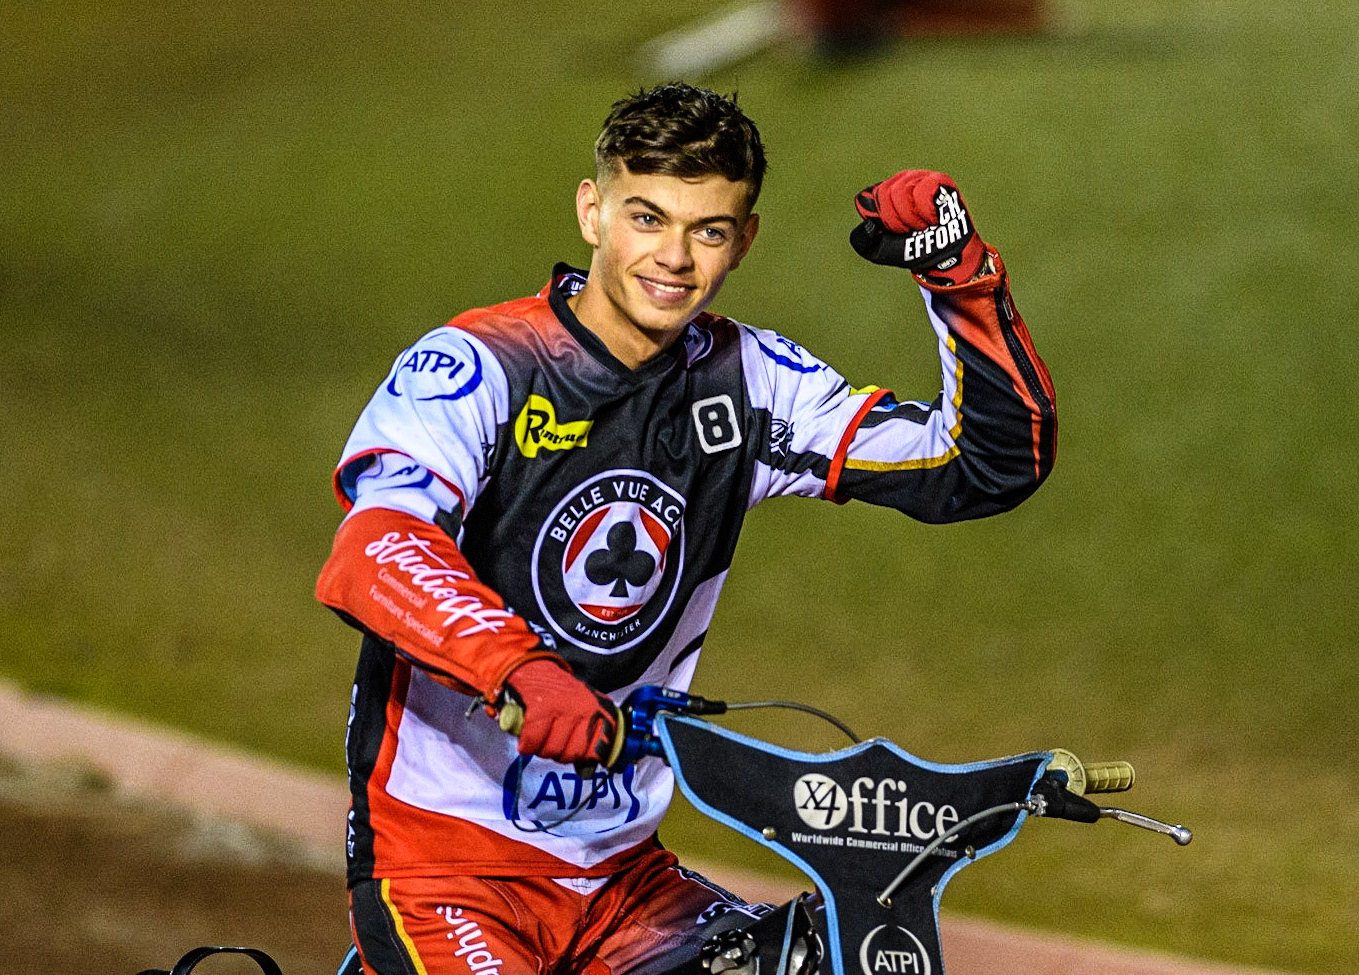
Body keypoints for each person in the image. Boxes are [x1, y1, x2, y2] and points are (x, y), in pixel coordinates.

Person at [315, 82, 1056, 975]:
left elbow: (981, 466)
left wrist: (960, 280)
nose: (673, 258)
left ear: (743, 240)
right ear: (592, 212)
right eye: (646, 217)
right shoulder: (476, 367)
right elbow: (376, 549)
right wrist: (519, 668)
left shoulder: (751, 383)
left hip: (621, 878)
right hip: (445, 868)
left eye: (708, 230)